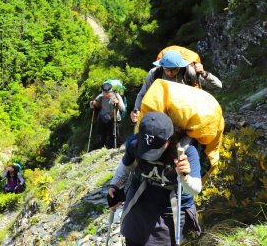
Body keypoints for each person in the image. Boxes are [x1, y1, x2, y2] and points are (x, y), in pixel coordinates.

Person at [107, 112, 202, 245]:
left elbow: (195, 189)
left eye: (155, 149)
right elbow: (124, 169)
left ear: (169, 140)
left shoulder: (186, 151)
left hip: (171, 209)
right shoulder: (134, 143)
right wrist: (114, 187)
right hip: (140, 201)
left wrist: (184, 176)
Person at [131, 50, 222, 123]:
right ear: (162, 66)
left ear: (180, 66)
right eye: (167, 69)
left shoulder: (188, 72)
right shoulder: (155, 73)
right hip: (161, 115)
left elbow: (218, 85)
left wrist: (204, 73)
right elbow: (142, 94)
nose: (170, 73)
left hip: (185, 115)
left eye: (174, 69)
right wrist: (136, 110)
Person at [90, 81, 125, 148]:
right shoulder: (100, 96)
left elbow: (123, 109)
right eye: (104, 93)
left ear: (111, 91)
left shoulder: (116, 96)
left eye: (107, 93)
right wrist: (93, 103)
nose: (105, 94)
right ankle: (101, 148)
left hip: (114, 118)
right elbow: (94, 106)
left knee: (114, 135)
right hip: (103, 118)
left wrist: (117, 103)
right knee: (101, 135)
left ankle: (115, 147)